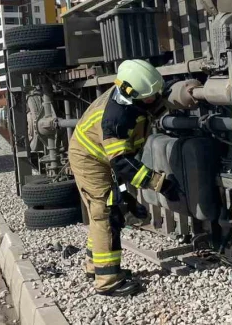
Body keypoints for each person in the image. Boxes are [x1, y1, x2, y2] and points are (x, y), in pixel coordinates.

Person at [68, 59, 178, 296]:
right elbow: (122, 163)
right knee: (105, 213)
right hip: (90, 160)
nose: (155, 100)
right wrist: (160, 184)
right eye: (150, 97)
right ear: (133, 94)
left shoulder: (131, 95)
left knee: (111, 209)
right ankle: (107, 281)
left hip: (103, 157)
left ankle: (94, 266)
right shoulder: (115, 119)